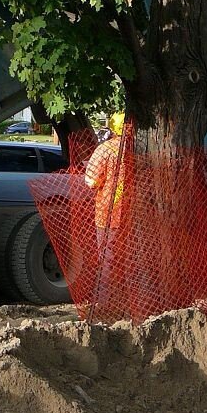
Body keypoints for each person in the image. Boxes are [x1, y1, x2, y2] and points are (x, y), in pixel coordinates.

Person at [85, 112, 127, 312]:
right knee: (129, 258)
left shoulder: (105, 150)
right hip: (133, 214)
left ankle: (106, 303)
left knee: (107, 259)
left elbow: (91, 181)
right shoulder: (137, 149)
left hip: (108, 213)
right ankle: (129, 300)